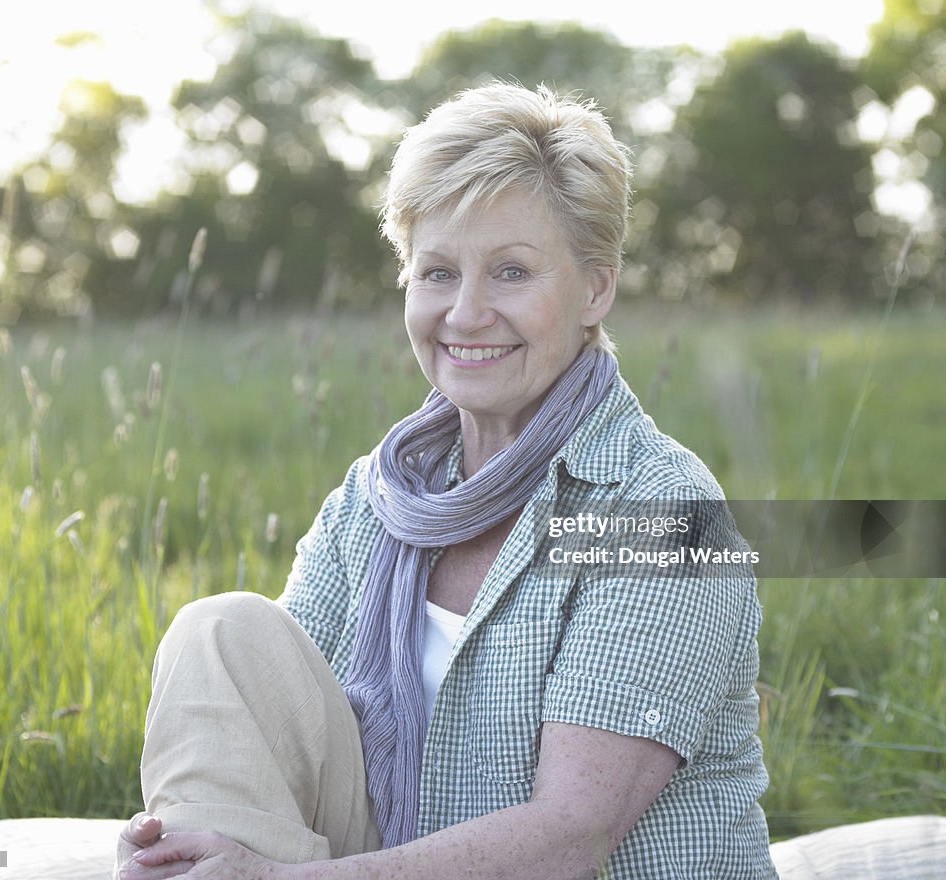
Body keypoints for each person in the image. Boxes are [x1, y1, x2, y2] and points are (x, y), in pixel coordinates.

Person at [116, 83, 778, 879]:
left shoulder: (662, 511)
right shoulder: (375, 499)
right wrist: (184, 840)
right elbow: (268, 744)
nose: (464, 314)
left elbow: (574, 836)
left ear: (596, 289)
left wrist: (274, 879)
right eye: (437, 273)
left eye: (510, 273)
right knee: (221, 631)